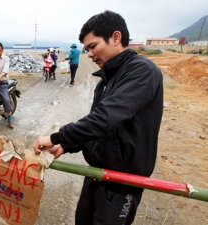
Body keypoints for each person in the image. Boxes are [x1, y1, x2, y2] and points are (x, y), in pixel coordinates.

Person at [32, 10, 163, 225]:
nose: (90, 54)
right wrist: (66, 145)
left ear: (116, 37)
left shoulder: (142, 71)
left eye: (93, 46)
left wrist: (56, 137)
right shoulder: (105, 80)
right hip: (96, 174)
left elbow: (105, 119)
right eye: (87, 49)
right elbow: (97, 127)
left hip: (122, 184)